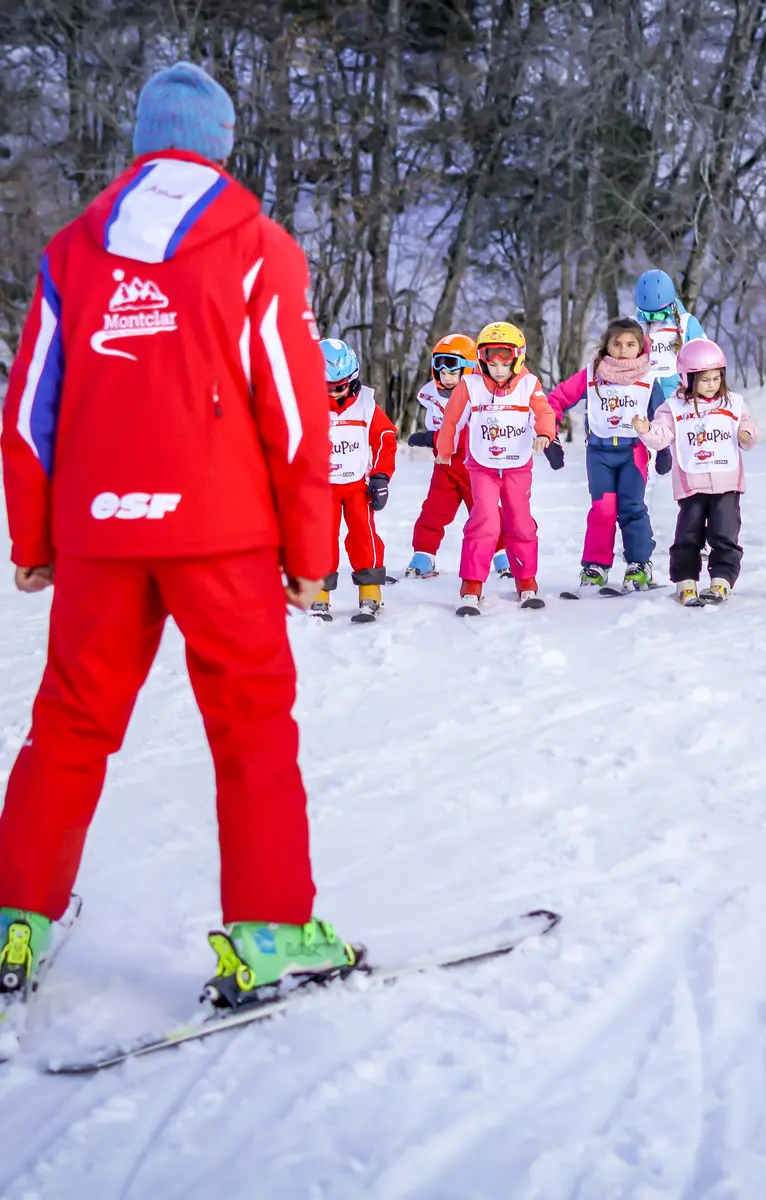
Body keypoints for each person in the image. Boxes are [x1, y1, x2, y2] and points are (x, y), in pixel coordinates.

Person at [0, 62, 357, 1006]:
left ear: (138, 141)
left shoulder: (72, 250)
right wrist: (312, 556)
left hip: (98, 534)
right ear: (224, 144)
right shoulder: (259, 246)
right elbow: (293, 411)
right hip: (222, 536)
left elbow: (30, 406)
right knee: (251, 733)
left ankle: (12, 923)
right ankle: (272, 934)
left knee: (69, 725)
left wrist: (32, 538)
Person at [433, 321, 557, 614]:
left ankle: (526, 580)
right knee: (485, 520)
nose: (498, 368)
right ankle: (472, 583)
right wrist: (444, 449)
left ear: (518, 357)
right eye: (491, 360)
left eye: (505, 360)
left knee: (520, 521)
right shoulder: (470, 385)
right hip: (483, 467)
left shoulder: (529, 384)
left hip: (516, 467)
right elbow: (451, 418)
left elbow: (543, 411)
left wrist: (544, 433)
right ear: (481, 359)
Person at [633, 339, 757, 605]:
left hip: (726, 483)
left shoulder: (733, 403)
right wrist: (646, 431)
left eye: (716, 378)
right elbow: (662, 436)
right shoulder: (674, 407)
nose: (712, 384)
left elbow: (746, 426)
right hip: (692, 484)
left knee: (725, 534)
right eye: (704, 379)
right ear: (687, 378)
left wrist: (747, 434)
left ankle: (722, 580)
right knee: (688, 534)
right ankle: (685, 580)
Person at [546, 317, 667, 592]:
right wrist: (550, 434)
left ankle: (639, 565)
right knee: (602, 509)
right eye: (617, 344)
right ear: (607, 346)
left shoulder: (648, 378)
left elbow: (662, 417)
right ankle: (596, 566)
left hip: (632, 452)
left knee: (632, 508)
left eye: (630, 344)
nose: (623, 349)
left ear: (641, 348)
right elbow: (557, 399)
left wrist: (663, 450)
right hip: (599, 452)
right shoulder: (592, 373)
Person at [404, 334, 510, 580]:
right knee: (433, 511)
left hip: (476, 468)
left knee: (487, 513)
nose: (446, 377)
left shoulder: (479, 394)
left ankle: (503, 556)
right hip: (445, 469)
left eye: (452, 371)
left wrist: (430, 438)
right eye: (440, 371)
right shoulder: (433, 395)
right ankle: (423, 555)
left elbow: (469, 433)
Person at [312, 339, 396, 622]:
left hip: (358, 486)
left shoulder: (365, 404)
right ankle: (319, 593)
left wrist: (381, 475)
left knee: (364, 536)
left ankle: (370, 590)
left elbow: (384, 437)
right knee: (320, 539)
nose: (334, 393)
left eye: (340, 386)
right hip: (322, 488)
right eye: (326, 388)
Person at [633, 270, 707, 479]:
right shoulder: (633, 326)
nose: (655, 320)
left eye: (659, 314)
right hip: (644, 400)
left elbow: (705, 356)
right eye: (648, 316)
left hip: (678, 398)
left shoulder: (686, 324)